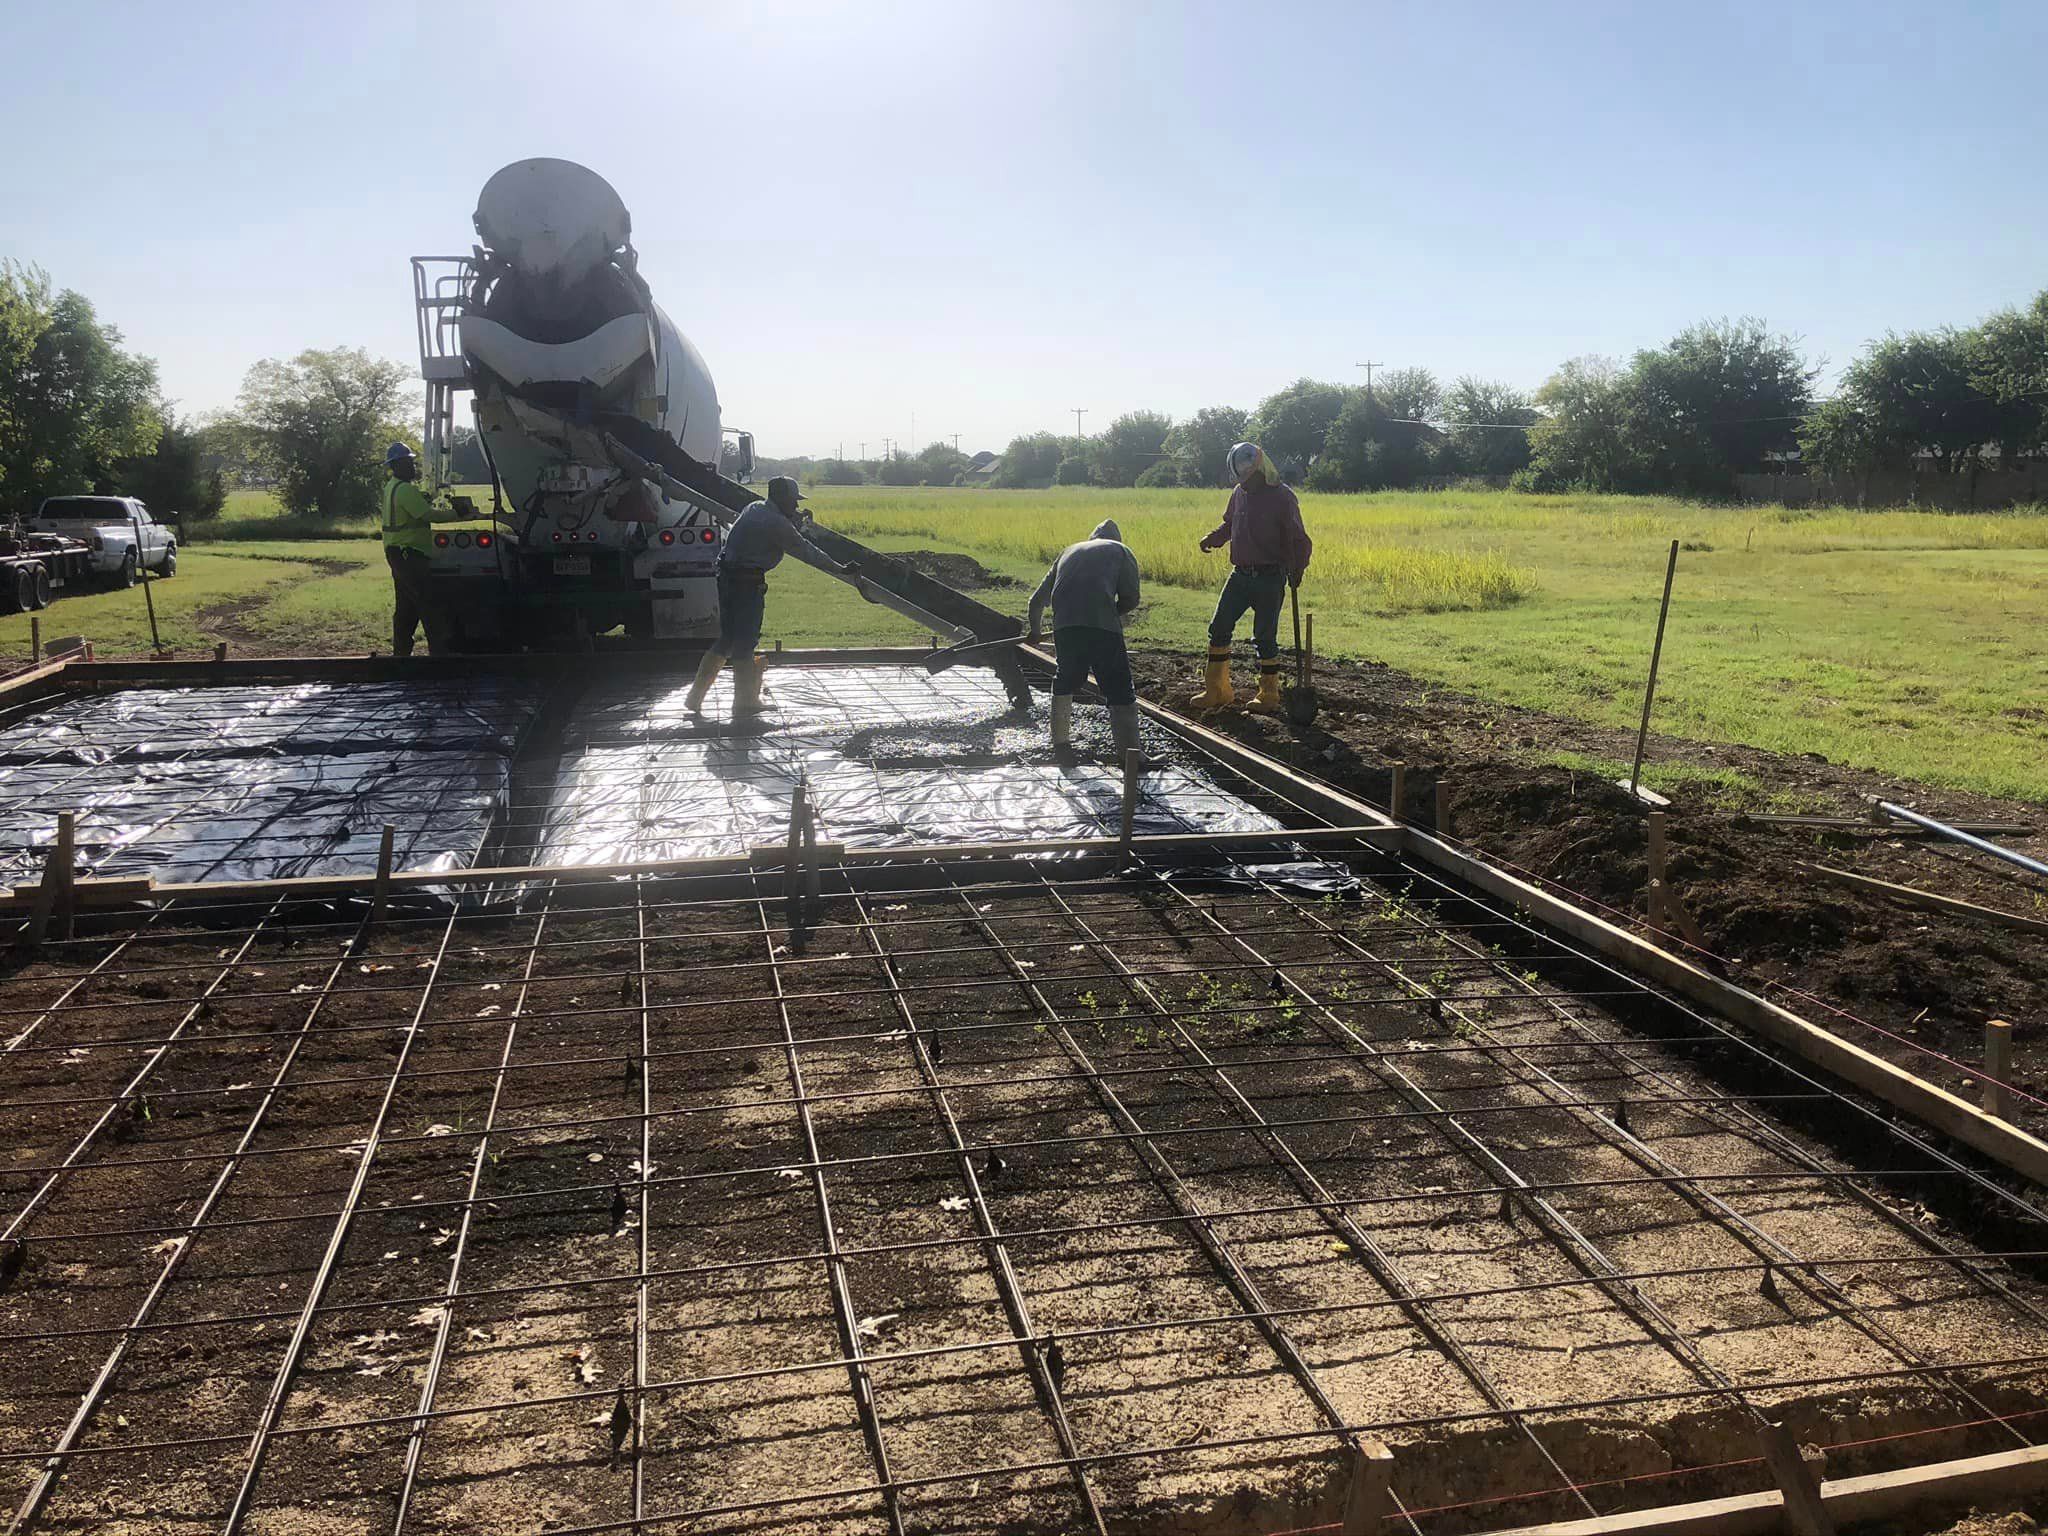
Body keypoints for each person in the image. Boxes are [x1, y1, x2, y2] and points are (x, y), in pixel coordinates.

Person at [684, 476, 871, 719]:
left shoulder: (754, 508)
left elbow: (769, 531)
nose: (795, 506)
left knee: (727, 638)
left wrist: (790, 520)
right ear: (781, 497)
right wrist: (839, 568)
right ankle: (746, 702)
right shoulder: (776, 523)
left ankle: (695, 697)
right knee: (745, 642)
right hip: (746, 584)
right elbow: (805, 550)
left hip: (726, 577)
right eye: (793, 501)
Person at [1190, 441, 1313, 713]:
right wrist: (1215, 538)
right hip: (1240, 575)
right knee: (1218, 627)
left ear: (1261, 471)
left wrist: (1298, 568)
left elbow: (1299, 539)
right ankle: (1217, 690)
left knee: (1263, 637)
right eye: (1240, 479)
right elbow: (1231, 523)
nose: (1243, 483)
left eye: (1247, 478)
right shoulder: (1238, 494)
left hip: (1270, 576)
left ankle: (1268, 694)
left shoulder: (1283, 497)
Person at [1027, 519, 1143, 755]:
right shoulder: (1121, 550)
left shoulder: (1068, 552)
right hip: (1103, 628)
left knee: (1066, 679)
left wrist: (1035, 631)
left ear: (1092, 538)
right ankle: (1130, 755)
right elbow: (1131, 599)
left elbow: (1036, 601)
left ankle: (1060, 745)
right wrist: (1109, 614)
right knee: (1119, 688)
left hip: (1065, 628)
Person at [380, 443, 448, 658]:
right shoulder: (405, 490)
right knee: (428, 603)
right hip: (409, 554)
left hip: (398, 553)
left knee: (406, 608)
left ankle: (401, 654)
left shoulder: (392, 487)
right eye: (408, 463)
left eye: (412, 462)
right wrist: (458, 513)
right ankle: (439, 654)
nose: (412, 467)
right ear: (396, 466)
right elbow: (427, 515)